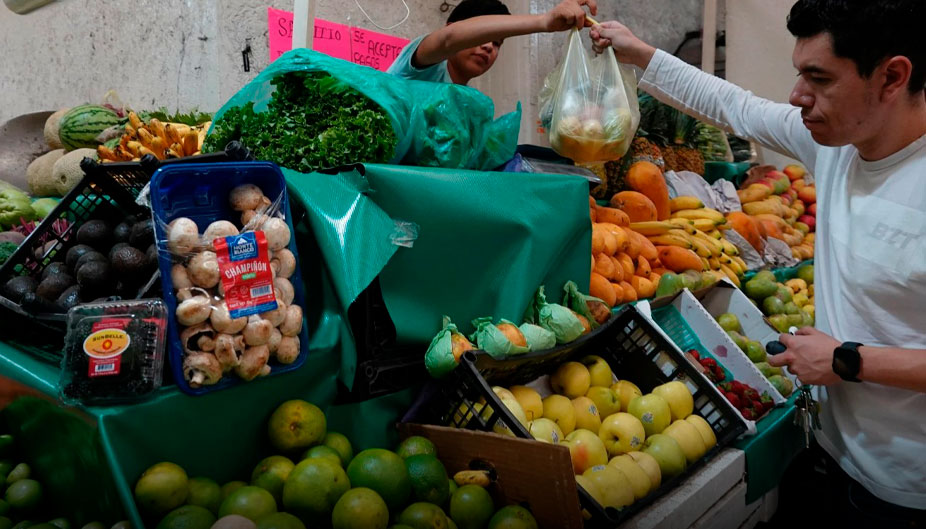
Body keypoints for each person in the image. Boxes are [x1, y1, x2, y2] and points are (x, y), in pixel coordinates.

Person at [590, 0, 926, 526]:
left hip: (904, 489)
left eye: (819, 78)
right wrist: (637, 52)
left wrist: (848, 361)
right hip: (828, 452)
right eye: (800, 74)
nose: (798, 96)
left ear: (892, 77)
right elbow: (733, 104)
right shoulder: (839, 146)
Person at [387, 0, 597, 85]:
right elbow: (448, 39)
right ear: (450, 26)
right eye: (481, 38)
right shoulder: (421, 63)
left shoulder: (469, 104)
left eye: (497, 43)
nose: (488, 46)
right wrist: (544, 21)